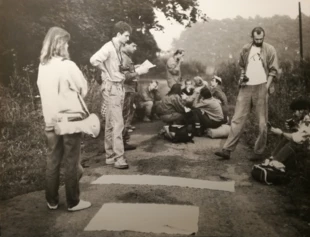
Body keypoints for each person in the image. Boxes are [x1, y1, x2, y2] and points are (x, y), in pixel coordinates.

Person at [37, 26, 91, 211]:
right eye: (66, 42)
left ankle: (51, 200)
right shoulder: (68, 66)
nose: (68, 46)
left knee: (52, 160)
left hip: (50, 119)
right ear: (61, 44)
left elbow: (41, 90)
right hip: (69, 119)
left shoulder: (42, 66)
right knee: (71, 161)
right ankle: (73, 202)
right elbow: (83, 88)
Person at [215, 26, 279, 161]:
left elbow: (273, 70)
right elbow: (242, 65)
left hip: (262, 86)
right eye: (256, 39)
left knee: (262, 122)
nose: (259, 40)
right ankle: (227, 150)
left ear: (264, 37)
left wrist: (266, 87)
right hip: (246, 87)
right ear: (252, 37)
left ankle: (258, 152)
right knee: (237, 118)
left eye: (261, 38)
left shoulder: (270, 49)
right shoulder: (245, 48)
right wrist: (242, 76)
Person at [90, 21, 147, 169]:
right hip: (113, 88)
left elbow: (118, 68)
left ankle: (110, 156)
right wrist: (107, 72)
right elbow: (94, 60)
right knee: (118, 123)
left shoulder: (117, 48)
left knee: (110, 123)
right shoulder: (109, 47)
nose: (128, 39)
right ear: (118, 34)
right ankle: (119, 158)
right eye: (126, 35)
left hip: (117, 87)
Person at [121, 40, 149, 149]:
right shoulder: (124, 58)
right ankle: (122, 143)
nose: (135, 48)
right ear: (125, 44)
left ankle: (123, 141)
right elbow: (125, 77)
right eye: (133, 45)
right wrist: (139, 72)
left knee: (127, 115)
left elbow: (127, 72)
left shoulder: (126, 57)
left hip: (129, 90)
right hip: (126, 90)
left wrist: (135, 67)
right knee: (125, 116)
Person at [267, 99, 310, 167]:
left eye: (295, 111)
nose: (294, 114)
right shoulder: (305, 117)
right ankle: (273, 157)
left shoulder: (308, 119)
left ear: (301, 110)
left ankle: (275, 162)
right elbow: (302, 133)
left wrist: (281, 133)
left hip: (307, 149)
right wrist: (294, 126)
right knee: (290, 134)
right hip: (306, 145)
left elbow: (298, 139)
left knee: (294, 142)